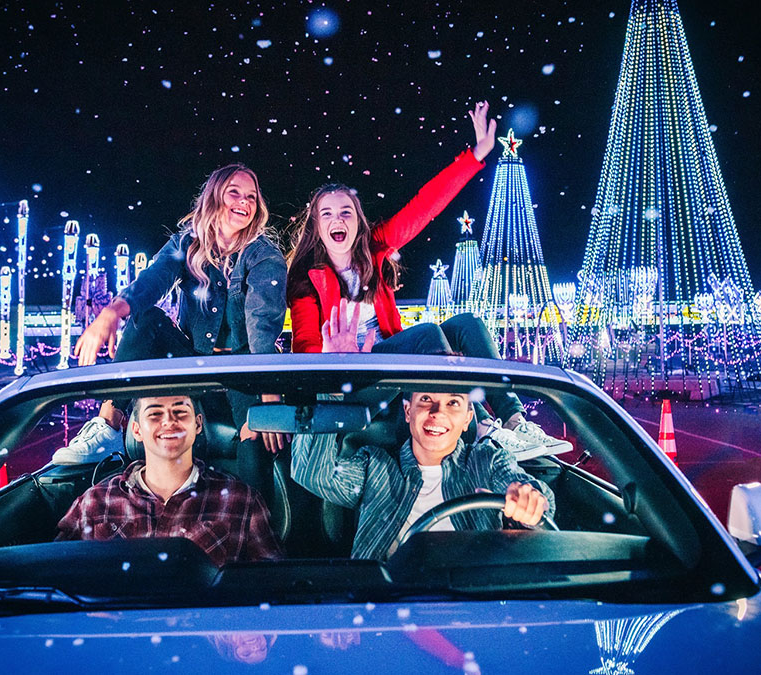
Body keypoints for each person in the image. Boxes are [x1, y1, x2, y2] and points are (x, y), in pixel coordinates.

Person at [285, 102, 569, 456]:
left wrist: (476, 155)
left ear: (358, 222)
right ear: (317, 227)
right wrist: (331, 356)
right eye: (327, 214)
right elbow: (304, 348)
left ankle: (514, 420)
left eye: (346, 212)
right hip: (354, 378)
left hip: (389, 362)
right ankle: (481, 428)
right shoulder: (306, 279)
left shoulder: (375, 249)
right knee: (426, 334)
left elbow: (424, 207)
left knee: (468, 323)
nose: (337, 219)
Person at [55, 164, 289, 465]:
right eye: (234, 193)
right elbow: (153, 280)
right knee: (148, 319)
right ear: (214, 197)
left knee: (256, 438)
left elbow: (262, 323)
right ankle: (108, 426)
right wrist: (110, 313)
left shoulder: (264, 255)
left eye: (251, 197)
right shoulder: (186, 243)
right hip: (193, 362)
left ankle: (249, 491)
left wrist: (268, 395)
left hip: (244, 369)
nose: (244, 201)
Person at [291, 390, 555, 561]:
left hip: (474, 606)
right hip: (386, 608)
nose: (438, 412)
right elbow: (313, 473)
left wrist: (531, 501)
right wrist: (331, 392)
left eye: (453, 402)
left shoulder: (488, 460)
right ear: (408, 412)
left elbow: (535, 495)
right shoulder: (376, 465)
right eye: (426, 399)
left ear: (467, 419)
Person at [56, 395, 283, 567]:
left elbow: (272, 586)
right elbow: (54, 577)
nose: (169, 422)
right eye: (155, 414)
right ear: (136, 430)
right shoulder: (95, 501)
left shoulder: (240, 500)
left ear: (198, 424)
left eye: (180, 412)